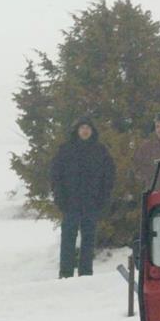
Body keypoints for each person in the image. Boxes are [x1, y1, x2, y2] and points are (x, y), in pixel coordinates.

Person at [51, 116, 115, 278]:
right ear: (77, 130)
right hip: (70, 202)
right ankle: (65, 273)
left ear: (92, 131)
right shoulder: (66, 149)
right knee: (68, 239)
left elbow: (108, 177)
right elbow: (55, 176)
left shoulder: (100, 151)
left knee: (88, 239)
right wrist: (59, 198)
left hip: (91, 203)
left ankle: (86, 273)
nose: (85, 131)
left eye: (88, 128)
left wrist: (103, 199)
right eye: (82, 128)